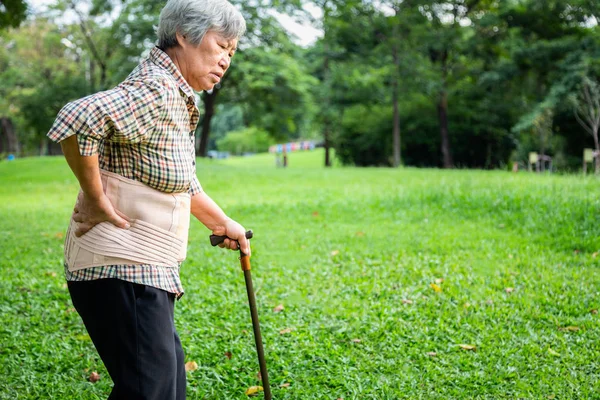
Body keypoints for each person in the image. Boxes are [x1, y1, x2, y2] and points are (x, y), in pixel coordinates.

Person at [46, 1, 248, 398]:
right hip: (120, 267)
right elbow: (79, 119)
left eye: (232, 52)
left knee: (166, 383)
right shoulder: (156, 89)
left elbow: (178, 182)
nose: (226, 60)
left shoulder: (175, 93)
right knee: (150, 389)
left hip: (142, 268)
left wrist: (222, 223)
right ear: (184, 36)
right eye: (221, 45)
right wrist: (94, 194)